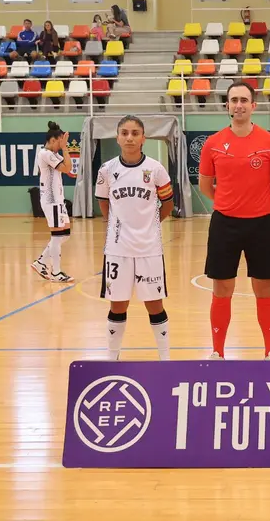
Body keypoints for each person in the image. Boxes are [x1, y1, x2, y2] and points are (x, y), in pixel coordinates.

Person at [199, 81, 270, 360]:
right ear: (227, 105)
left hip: (260, 225)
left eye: (244, 100)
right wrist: (228, 205)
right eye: (233, 100)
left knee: (264, 287)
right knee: (222, 287)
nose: (238, 105)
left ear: (254, 105)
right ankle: (217, 351)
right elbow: (206, 186)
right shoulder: (213, 143)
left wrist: (263, 206)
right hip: (224, 224)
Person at [95, 115, 174, 361]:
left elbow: (168, 203)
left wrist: (148, 225)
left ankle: (165, 358)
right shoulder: (107, 170)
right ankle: (112, 357)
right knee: (117, 304)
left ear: (143, 138)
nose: (130, 137)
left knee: (154, 303)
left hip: (149, 248)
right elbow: (104, 203)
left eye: (135, 133)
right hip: (117, 249)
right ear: (117, 137)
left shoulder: (156, 169)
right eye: (125, 133)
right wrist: (118, 228)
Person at [31, 121, 75, 283]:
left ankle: (40, 262)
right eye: (60, 141)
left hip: (58, 200)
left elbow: (69, 168)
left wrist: (64, 149)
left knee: (65, 235)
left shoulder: (54, 154)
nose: (62, 144)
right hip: (51, 200)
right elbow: (65, 169)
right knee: (57, 236)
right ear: (53, 140)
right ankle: (56, 272)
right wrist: (64, 148)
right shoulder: (45, 154)